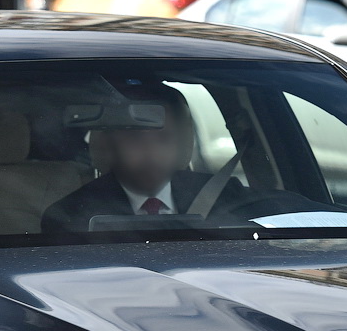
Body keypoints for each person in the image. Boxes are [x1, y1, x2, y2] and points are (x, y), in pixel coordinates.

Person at [40, 86, 250, 233]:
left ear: (182, 143)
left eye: (164, 139)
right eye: (135, 139)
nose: (151, 152)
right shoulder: (70, 214)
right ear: (112, 146)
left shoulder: (226, 196)